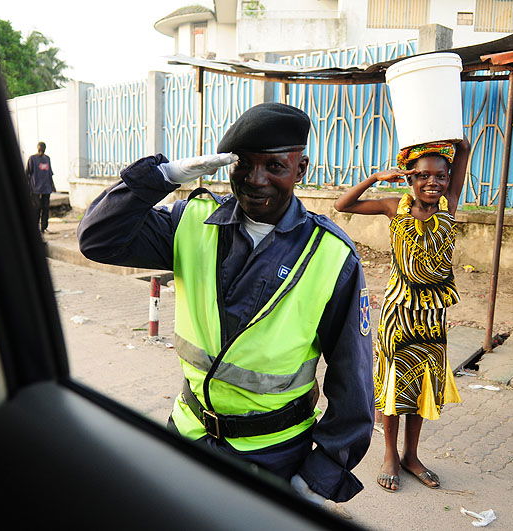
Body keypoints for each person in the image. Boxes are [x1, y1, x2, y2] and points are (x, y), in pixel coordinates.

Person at [77, 103, 374, 507]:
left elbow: (353, 380)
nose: (256, 181)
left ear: (301, 169)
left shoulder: (331, 254)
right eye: (243, 166)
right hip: (189, 435)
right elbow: (97, 238)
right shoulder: (191, 222)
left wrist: (320, 474)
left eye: (274, 166)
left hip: (274, 455)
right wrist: (162, 176)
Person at [334, 138, 471, 492]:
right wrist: (377, 177)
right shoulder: (394, 207)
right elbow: (342, 204)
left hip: (433, 314)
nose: (433, 183)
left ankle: (412, 455)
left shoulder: (449, 206)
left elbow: (464, 153)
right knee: (397, 387)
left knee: (424, 384)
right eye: (424, 176)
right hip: (399, 313)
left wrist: (456, 139)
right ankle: (390, 454)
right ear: (410, 178)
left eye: (440, 176)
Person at [26, 141, 55, 233]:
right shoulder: (32, 159)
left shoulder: (47, 159)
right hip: (35, 189)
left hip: (46, 188)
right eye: (40, 149)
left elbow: (50, 173)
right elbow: (28, 173)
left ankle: (44, 227)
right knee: (37, 208)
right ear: (37, 148)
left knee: (45, 208)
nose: (41, 151)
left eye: (42, 149)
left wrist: (52, 186)